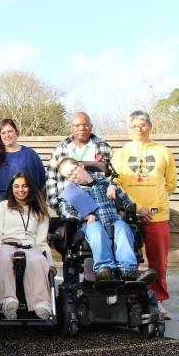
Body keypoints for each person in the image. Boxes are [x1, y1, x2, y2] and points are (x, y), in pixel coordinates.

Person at [112, 111, 176, 319]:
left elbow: (169, 183)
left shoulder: (163, 151)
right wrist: (137, 207)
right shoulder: (121, 154)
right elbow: (116, 185)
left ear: (150, 126)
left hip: (157, 216)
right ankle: (133, 299)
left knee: (158, 261)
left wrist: (155, 204)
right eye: (135, 125)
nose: (139, 128)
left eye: (143, 124)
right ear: (129, 129)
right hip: (130, 216)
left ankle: (158, 299)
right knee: (130, 259)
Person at [56, 157, 157, 283]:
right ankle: (104, 268)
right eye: (69, 176)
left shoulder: (106, 183)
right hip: (91, 225)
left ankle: (128, 270)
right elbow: (65, 212)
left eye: (73, 171)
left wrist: (114, 189)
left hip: (113, 221)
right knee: (96, 228)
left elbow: (127, 203)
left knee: (122, 226)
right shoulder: (71, 192)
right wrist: (84, 216)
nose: (73, 177)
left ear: (81, 166)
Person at [0, 172, 52, 320]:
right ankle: (7, 301)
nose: (20, 190)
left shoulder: (39, 210)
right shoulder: (3, 207)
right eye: (16, 186)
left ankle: (41, 304)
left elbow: (42, 241)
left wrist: (50, 261)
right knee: (3, 259)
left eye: (24, 186)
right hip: (6, 244)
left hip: (30, 246)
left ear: (30, 188)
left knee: (39, 261)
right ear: (11, 188)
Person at [46, 112, 112, 209]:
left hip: (100, 204)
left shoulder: (102, 147)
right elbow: (51, 177)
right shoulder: (60, 149)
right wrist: (56, 203)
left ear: (91, 127)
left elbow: (111, 175)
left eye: (85, 125)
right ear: (71, 128)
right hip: (68, 205)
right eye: (77, 125)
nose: (81, 128)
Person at [0, 119, 45, 220]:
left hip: (24, 207)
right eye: (3, 132)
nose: (7, 135)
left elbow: (40, 181)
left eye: (10, 131)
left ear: (17, 132)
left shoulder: (30, 155)